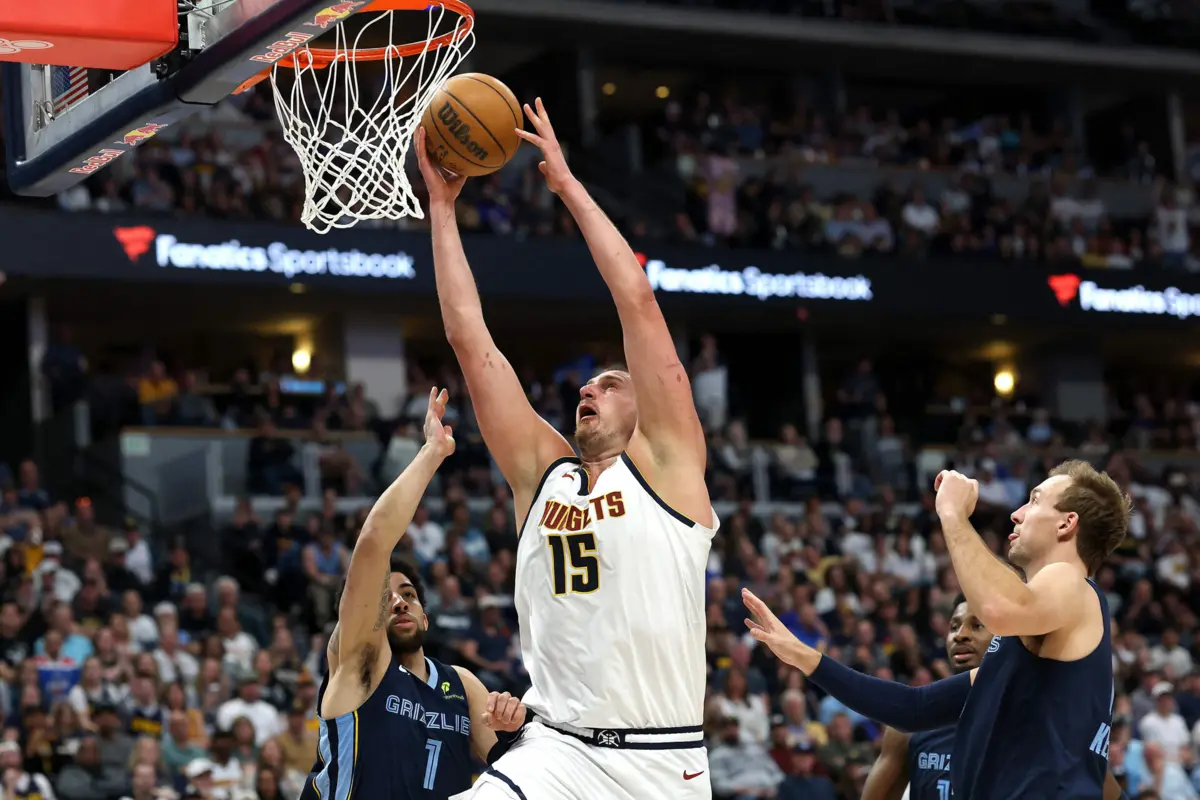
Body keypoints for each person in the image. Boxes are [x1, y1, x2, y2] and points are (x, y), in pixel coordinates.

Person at [417, 98, 716, 800]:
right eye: (587, 383)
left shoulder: (670, 468)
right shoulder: (542, 475)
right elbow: (470, 341)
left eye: (611, 384)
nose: (589, 387)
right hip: (556, 750)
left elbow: (638, 302)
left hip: (662, 762)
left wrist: (568, 186)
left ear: (647, 405)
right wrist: (442, 211)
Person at [744, 461, 1130, 800]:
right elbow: (913, 709)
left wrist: (953, 514)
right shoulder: (1033, 647)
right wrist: (803, 656)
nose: (1016, 514)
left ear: (1067, 523)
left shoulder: (1072, 583)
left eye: (1034, 500)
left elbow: (999, 608)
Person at [297, 388, 526, 800]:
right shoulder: (360, 661)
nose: (399, 601)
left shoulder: (461, 684)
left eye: (408, 595)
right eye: (386, 598)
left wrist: (512, 731)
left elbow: (520, 771)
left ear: (425, 616)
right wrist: (433, 453)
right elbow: (373, 543)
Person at [861, 596, 991, 800]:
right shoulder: (910, 723)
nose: (960, 636)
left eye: (977, 626)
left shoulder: (1029, 717)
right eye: (954, 627)